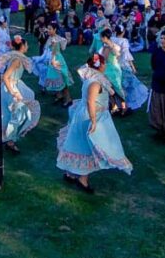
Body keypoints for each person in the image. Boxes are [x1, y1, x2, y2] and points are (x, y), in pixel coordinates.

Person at [56, 52, 133, 194]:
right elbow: (90, 101)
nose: (105, 65)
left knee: (78, 143)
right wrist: (93, 121)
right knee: (87, 146)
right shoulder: (95, 82)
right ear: (101, 65)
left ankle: (70, 173)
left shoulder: (91, 77)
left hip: (86, 114)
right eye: (104, 63)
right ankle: (82, 180)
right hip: (90, 116)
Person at [0, 35, 41, 153]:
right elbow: (6, 76)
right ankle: (0, 141)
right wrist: (13, 92)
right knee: (12, 113)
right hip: (8, 88)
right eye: (26, 45)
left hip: (10, 86)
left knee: (6, 114)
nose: (27, 47)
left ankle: (5, 141)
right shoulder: (17, 60)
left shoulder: (15, 57)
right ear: (22, 46)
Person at [40, 23, 76, 107]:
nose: (48, 30)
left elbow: (54, 51)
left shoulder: (55, 39)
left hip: (56, 60)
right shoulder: (50, 38)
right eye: (48, 29)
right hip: (53, 59)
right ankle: (59, 96)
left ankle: (68, 99)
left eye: (50, 29)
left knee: (62, 79)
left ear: (55, 29)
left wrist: (52, 60)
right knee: (55, 78)